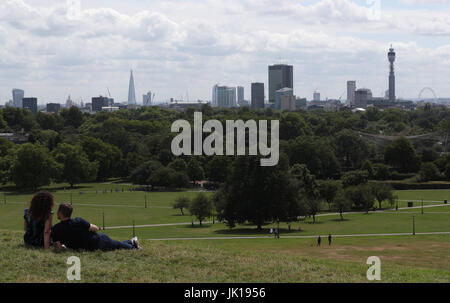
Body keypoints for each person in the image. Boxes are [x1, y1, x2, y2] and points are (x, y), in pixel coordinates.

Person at [51, 203, 140, 251]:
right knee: (117, 245)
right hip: (95, 242)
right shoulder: (78, 221)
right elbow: (95, 229)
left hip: (84, 247)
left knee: (115, 244)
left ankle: (132, 243)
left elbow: (57, 245)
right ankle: (133, 246)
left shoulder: (56, 229)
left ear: (60, 213)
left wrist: (66, 247)